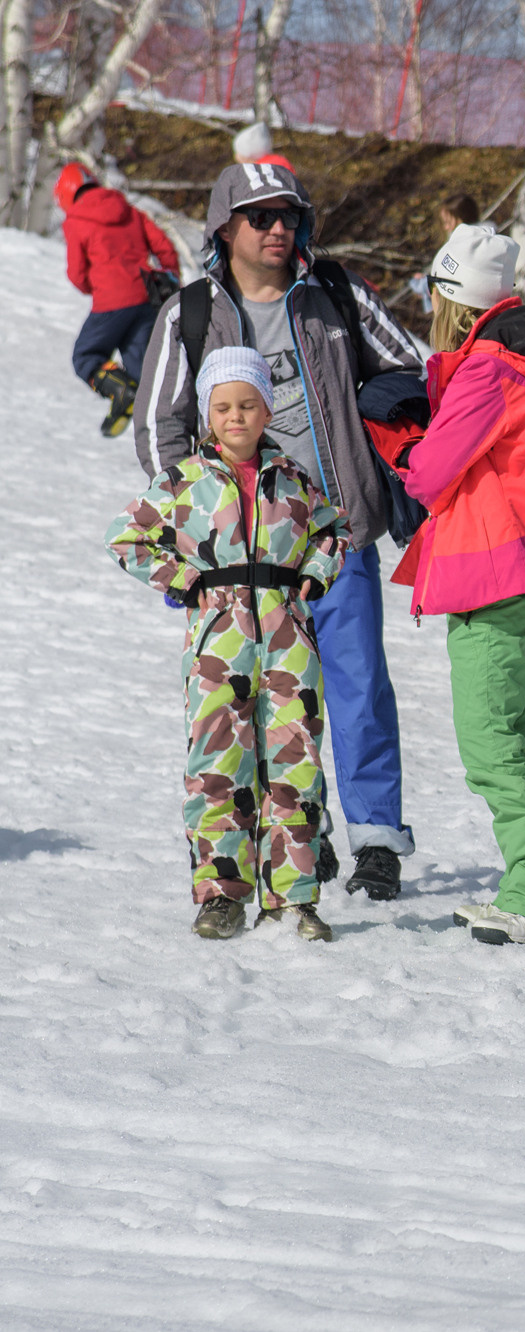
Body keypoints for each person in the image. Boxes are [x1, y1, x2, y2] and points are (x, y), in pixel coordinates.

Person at [134, 162, 427, 902]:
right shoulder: (192, 313)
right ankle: (297, 830)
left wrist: (386, 418)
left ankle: (378, 840)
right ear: (224, 226)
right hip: (243, 556)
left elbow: (410, 368)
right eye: (260, 216)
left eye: (289, 216)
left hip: (336, 531)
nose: (277, 229)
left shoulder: (335, 294)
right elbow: (157, 421)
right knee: (261, 699)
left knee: (359, 687)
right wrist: (198, 519)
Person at [106, 347, 347, 941]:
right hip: (219, 648)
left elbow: (336, 529)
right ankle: (220, 895)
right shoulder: (182, 482)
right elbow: (128, 539)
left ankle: (294, 898)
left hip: (290, 644)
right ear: (208, 415)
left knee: (296, 764)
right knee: (218, 766)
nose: (235, 417)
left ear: (267, 410)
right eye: (222, 407)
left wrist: (315, 571)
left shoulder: (293, 479)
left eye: (247, 405)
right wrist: (185, 580)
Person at [401, 225, 525, 948]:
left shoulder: (488, 370)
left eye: (430, 292)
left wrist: (399, 434)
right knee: (516, 737)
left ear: (451, 298)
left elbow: (429, 473)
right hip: (512, 571)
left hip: (494, 572)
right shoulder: (509, 364)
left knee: (492, 742)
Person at [55, 163, 180, 437]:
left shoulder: (76, 221)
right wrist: (170, 278)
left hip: (111, 301)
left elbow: (76, 273)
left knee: (85, 355)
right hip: (146, 298)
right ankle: (160, 424)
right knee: (141, 365)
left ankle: (121, 391)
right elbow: (164, 246)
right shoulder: (129, 211)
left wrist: (96, 286)